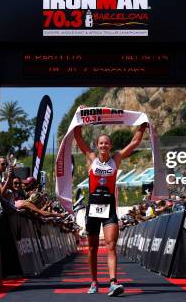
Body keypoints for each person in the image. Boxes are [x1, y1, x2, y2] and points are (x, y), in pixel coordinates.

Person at [74, 122, 148, 296]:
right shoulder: (91, 157)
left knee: (111, 245)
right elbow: (78, 137)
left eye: (107, 143)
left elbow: (134, 143)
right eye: (101, 143)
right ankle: (93, 282)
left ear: (111, 146)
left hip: (109, 207)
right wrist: (80, 119)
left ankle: (113, 282)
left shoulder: (116, 159)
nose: (104, 146)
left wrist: (142, 127)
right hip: (93, 208)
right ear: (97, 146)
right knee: (92, 248)